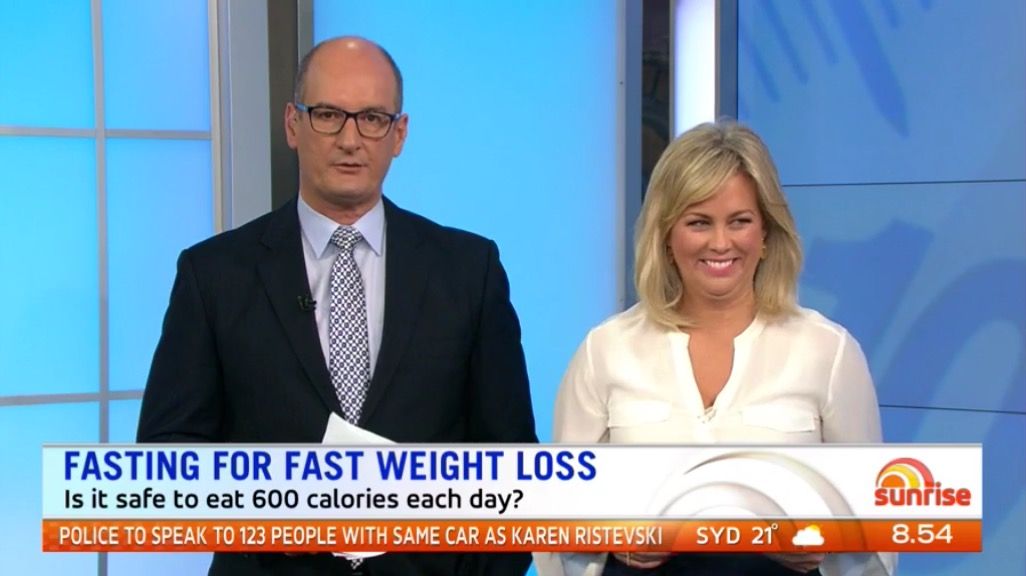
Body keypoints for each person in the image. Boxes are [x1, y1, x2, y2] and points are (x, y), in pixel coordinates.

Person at [137, 36, 537, 576]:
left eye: (372, 118)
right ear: (292, 124)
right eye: (328, 115)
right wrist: (277, 511)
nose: (350, 139)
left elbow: (513, 464)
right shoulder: (214, 274)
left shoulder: (468, 270)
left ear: (399, 134)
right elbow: (165, 458)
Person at [545, 121, 895, 575]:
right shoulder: (605, 350)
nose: (721, 243)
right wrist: (612, 537)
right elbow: (557, 520)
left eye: (739, 221)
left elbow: (872, 530)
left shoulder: (828, 352)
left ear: (766, 234)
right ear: (666, 237)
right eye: (699, 223)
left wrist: (819, 541)